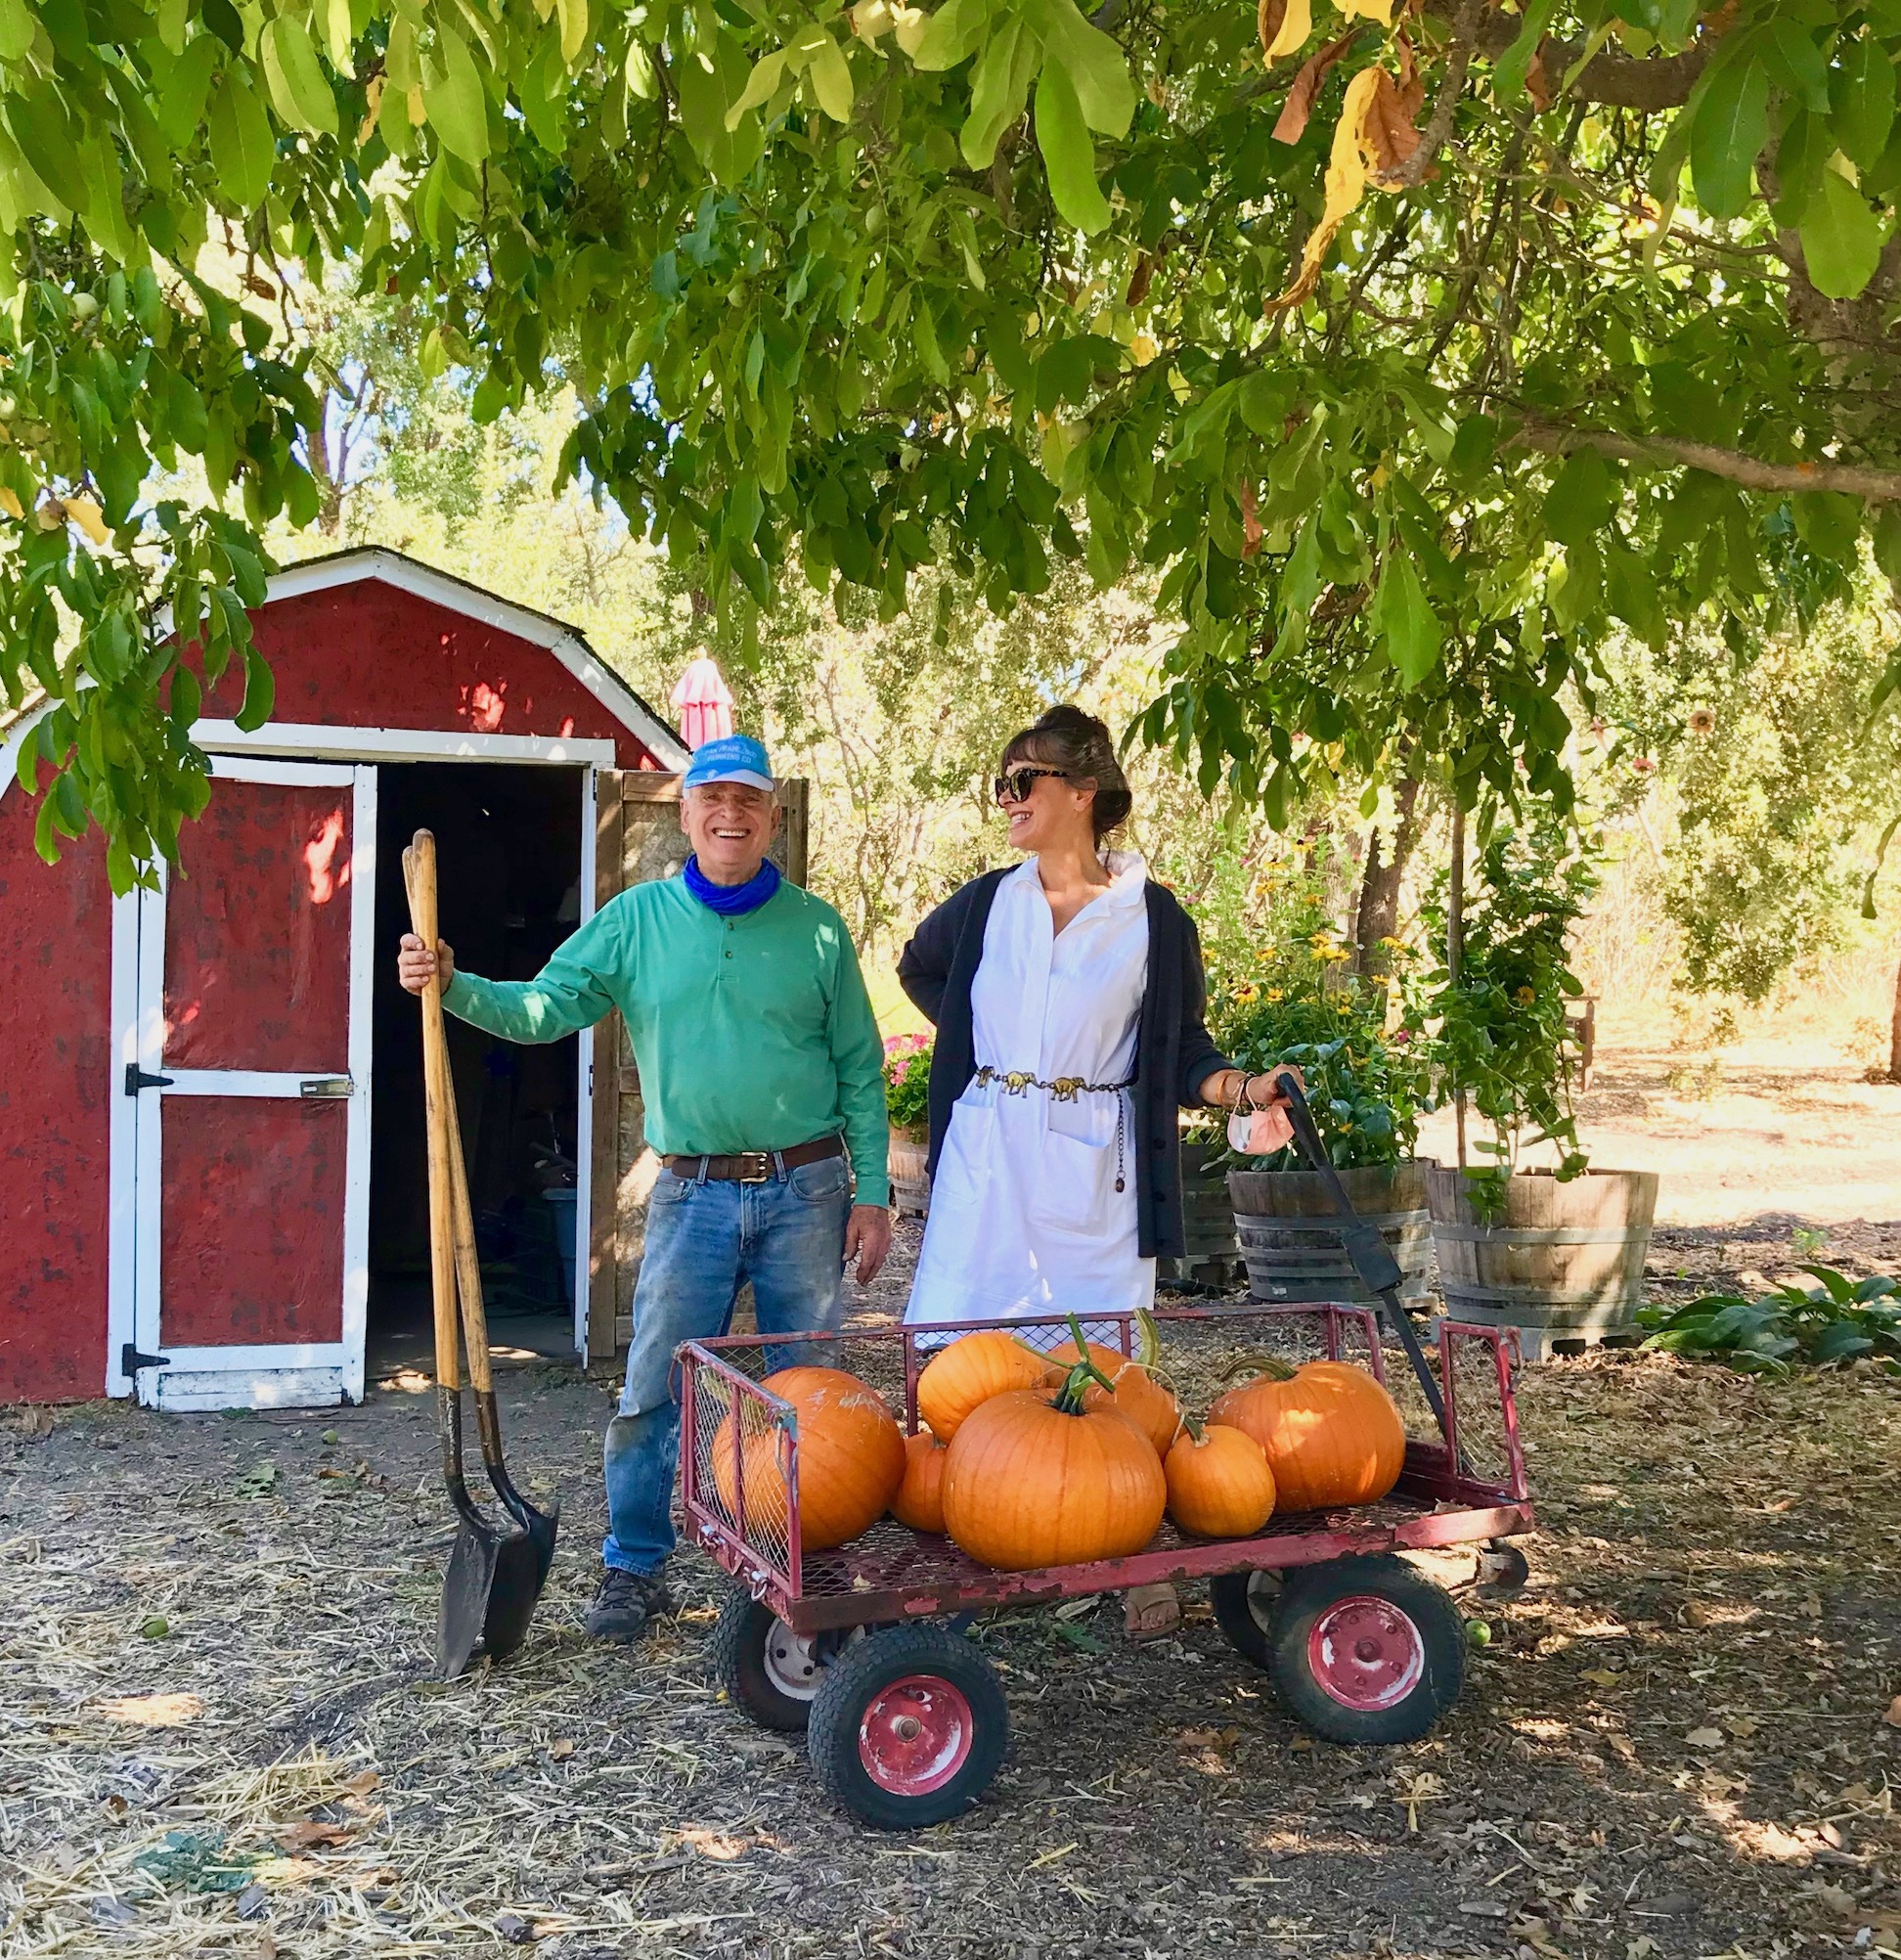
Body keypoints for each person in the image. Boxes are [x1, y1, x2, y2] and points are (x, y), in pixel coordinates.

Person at [397, 734, 892, 1644]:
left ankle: (803, 1559)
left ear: (772, 817)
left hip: (807, 1189)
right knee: (652, 1387)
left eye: (748, 800)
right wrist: (454, 984)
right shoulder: (633, 922)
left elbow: (861, 1070)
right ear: (687, 813)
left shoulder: (818, 930)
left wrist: (873, 1194)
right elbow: (543, 1010)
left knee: (809, 1390)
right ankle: (634, 1564)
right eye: (714, 799)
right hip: (692, 1194)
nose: (730, 815)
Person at [898, 705, 1292, 1331]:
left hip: (1092, 1171)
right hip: (986, 1151)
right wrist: (982, 1047)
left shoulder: (1153, 921)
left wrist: (1240, 1089)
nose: (1007, 798)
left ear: (1082, 793)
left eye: (1023, 781)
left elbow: (1182, 1044)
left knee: (1085, 1371)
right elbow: (918, 967)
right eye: (1001, 784)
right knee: (960, 1367)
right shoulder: (988, 902)